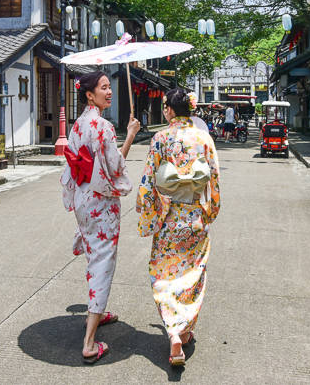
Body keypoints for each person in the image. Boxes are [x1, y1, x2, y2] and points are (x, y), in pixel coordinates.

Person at [137, 88, 221, 368]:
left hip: (169, 217)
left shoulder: (160, 138)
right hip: (195, 215)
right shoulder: (204, 138)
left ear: (170, 111)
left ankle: (173, 330)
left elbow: (149, 179)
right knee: (193, 273)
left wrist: (145, 206)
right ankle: (183, 327)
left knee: (163, 271)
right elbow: (214, 179)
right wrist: (211, 210)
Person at [62, 71, 141, 363]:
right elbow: (116, 166)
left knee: (95, 258)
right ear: (89, 94)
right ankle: (90, 342)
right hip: (101, 203)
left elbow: (74, 164)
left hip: (84, 197)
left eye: (110, 87)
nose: (109, 92)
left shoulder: (78, 125)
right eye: (104, 88)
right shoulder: (104, 126)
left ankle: (97, 312)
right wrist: (131, 135)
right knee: (103, 264)